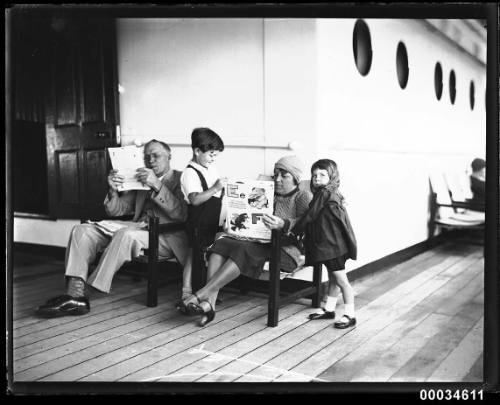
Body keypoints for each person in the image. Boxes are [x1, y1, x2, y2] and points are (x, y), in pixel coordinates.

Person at [36, 140, 188, 318]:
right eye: (146, 156)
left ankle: (84, 294)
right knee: (82, 230)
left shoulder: (181, 178)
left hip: (165, 236)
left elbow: (182, 214)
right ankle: (74, 292)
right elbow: (117, 210)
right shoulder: (140, 179)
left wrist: (157, 185)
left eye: (156, 155)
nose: (151, 160)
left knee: (125, 234)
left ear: (169, 156)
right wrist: (113, 190)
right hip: (136, 229)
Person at [177, 155, 313, 326]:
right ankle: (208, 304)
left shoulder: (302, 196)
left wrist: (283, 223)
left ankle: (199, 295)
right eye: (276, 174)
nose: (277, 179)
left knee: (243, 250)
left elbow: (308, 224)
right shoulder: (267, 192)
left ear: (295, 178)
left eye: (284, 176)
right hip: (259, 242)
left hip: (285, 249)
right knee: (221, 244)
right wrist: (234, 223)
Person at [293, 159, 357, 329]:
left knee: (342, 281)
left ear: (332, 176)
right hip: (332, 246)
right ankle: (329, 309)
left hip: (334, 247)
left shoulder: (324, 194)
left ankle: (350, 314)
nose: (317, 178)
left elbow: (309, 216)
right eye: (314, 175)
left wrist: (293, 231)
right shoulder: (330, 192)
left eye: (322, 174)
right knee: (333, 279)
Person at [177, 128, 226, 305]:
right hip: (198, 221)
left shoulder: (210, 167)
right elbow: (195, 199)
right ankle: (188, 292)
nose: (213, 159)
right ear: (197, 151)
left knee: (202, 256)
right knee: (195, 256)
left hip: (210, 220)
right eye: (211, 154)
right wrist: (215, 188)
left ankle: (203, 291)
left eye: (216, 155)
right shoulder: (190, 173)